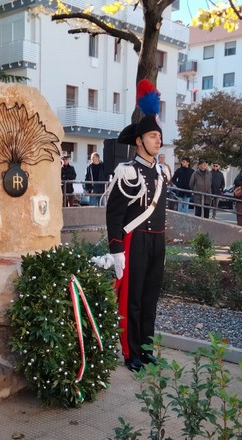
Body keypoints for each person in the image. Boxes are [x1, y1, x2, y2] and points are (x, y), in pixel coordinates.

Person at [106, 79, 167, 373]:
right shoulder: (127, 172)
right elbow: (114, 213)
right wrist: (116, 249)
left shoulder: (162, 172)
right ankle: (131, 353)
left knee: (150, 298)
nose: (158, 141)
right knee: (131, 301)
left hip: (157, 241)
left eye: (159, 136)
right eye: (153, 136)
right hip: (135, 240)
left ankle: (146, 348)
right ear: (139, 141)